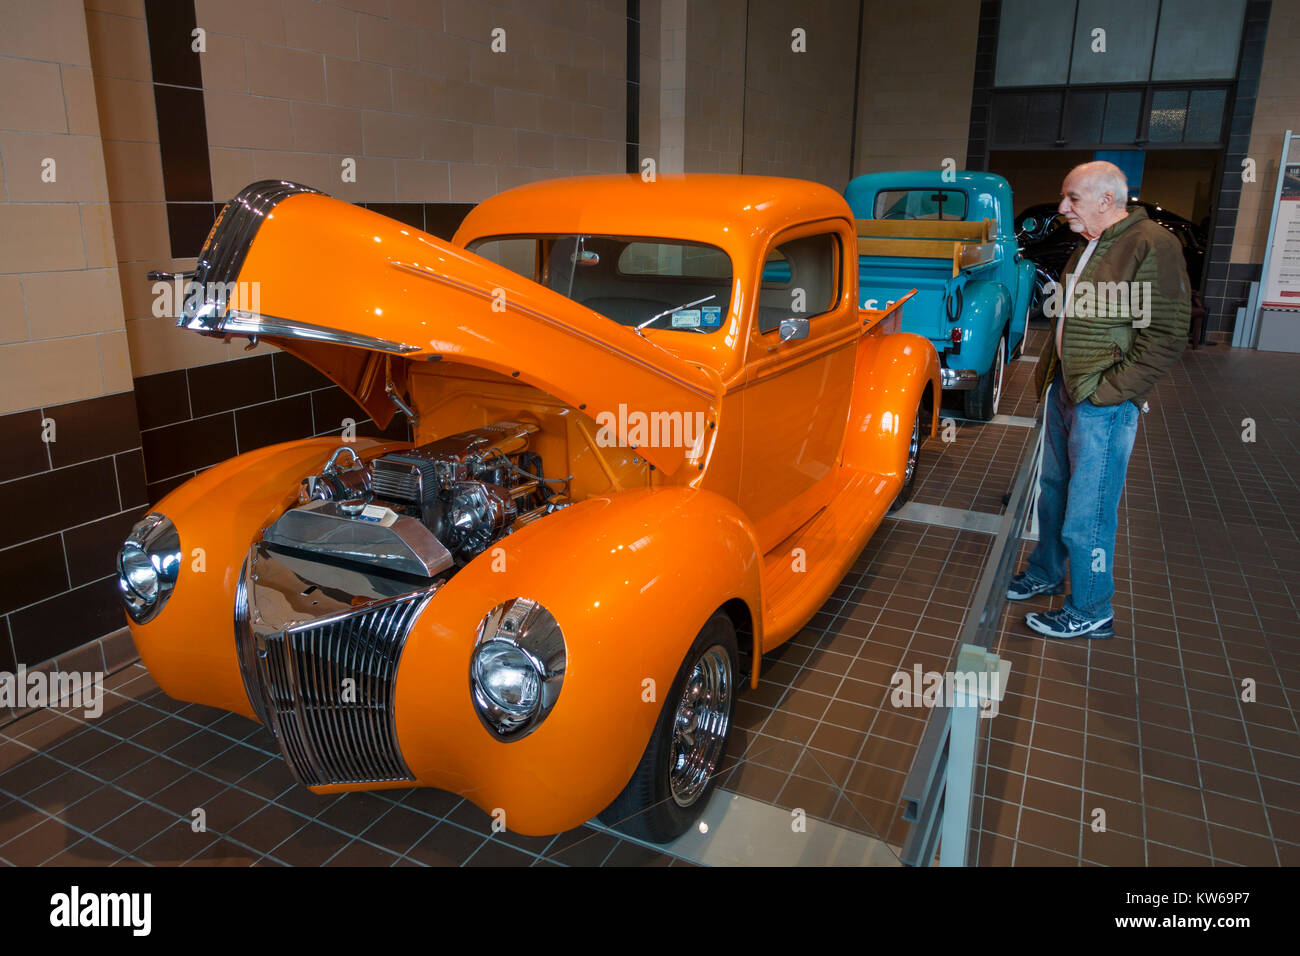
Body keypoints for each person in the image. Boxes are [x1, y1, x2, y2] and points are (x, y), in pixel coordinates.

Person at [1008, 161, 1190, 639]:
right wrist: (1059, 383)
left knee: (1090, 508)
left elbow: (1168, 335)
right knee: (1053, 491)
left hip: (1101, 402)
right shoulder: (1092, 243)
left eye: (1072, 198)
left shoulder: (1152, 244)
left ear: (1107, 201)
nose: (1063, 208)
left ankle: (1092, 608)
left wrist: (1109, 393)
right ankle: (1047, 570)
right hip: (1065, 388)